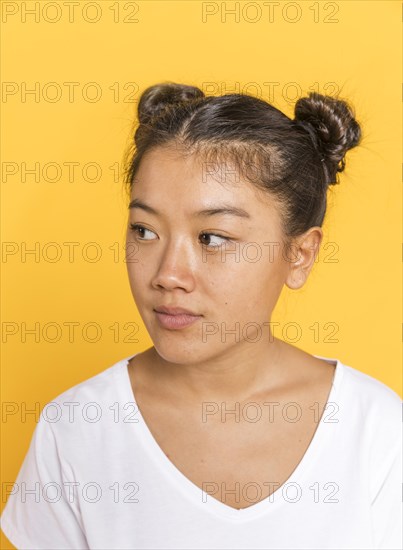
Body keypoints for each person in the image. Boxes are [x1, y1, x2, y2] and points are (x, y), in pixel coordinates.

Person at [1, 83, 401, 550]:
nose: (169, 274)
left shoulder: (375, 430)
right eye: (145, 231)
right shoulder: (76, 430)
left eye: (212, 238)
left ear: (299, 255)